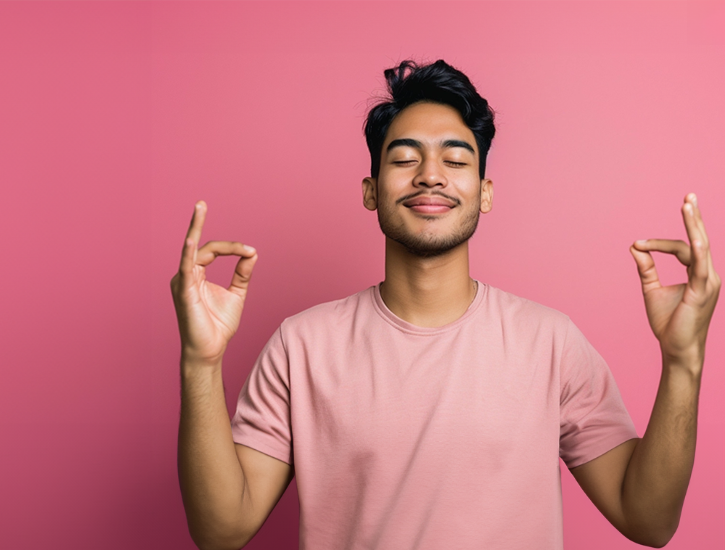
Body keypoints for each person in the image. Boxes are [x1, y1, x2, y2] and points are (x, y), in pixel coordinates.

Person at [171, 59, 718, 550]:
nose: (430, 175)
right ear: (370, 190)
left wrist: (684, 359)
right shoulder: (302, 345)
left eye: (456, 161)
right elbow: (221, 530)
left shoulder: (550, 342)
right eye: (405, 158)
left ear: (484, 191)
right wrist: (200, 361)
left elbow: (650, 521)